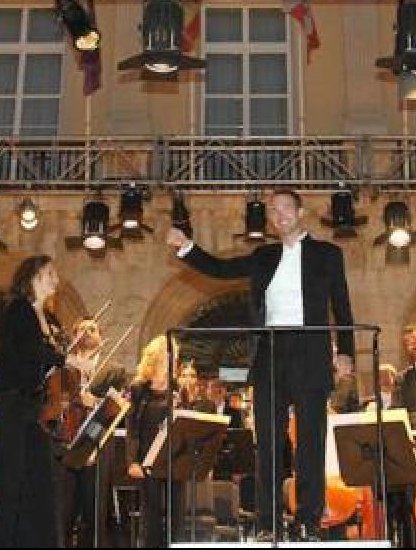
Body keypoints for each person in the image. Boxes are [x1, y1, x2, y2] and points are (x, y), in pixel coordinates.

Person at [167, 188, 355, 541]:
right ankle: (268, 522)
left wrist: (345, 351)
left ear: (300, 213)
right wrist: (186, 246)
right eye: (273, 211)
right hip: (270, 349)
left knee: (310, 441)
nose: (279, 215)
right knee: (267, 439)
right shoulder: (264, 256)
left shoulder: (328, 254)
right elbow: (221, 268)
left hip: (311, 349)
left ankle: (308, 522)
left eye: (286, 208)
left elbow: (342, 306)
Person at [0, 255, 66, 548]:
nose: (56, 280)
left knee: (41, 479)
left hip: (32, 408)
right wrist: (66, 358)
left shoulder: (47, 318)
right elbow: (31, 351)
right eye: (50, 273)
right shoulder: (18, 310)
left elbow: (42, 360)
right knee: (11, 482)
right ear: (33, 276)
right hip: (10, 405)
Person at [56, 316, 127, 548]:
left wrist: (94, 400)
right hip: (64, 443)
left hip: (95, 442)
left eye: (93, 329)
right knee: (62, 514)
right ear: (74, 336)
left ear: (100, 337)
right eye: (82, 329)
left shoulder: (114, 370)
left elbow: (117, 409)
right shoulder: (62, 368)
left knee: (94, 513)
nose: (87, 332)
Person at [125, 335, 181, 548]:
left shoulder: (177, 388)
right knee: (151, 520)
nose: (174, 359)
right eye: (170, 355)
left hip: (174, 461)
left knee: (176, 518)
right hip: (148, 461)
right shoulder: (139, 388)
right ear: (158, 357)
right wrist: (132, 461)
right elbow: (132, 428)